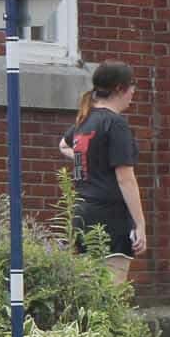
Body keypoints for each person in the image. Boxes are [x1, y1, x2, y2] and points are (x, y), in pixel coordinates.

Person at [59, 61, 147, 285]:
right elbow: (125, 178)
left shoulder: (85, 119)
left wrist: (85, 159)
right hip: (111, 219)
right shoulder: (115, 124)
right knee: (110, 294)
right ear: (120, 88)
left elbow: (63, 145)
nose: (134, 92)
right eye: (132, 85)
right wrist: (140, 224)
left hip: (82, 214)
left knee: (86, 293)